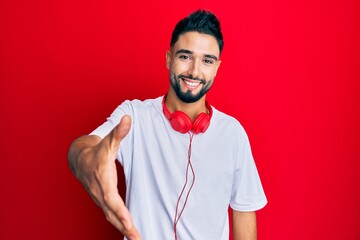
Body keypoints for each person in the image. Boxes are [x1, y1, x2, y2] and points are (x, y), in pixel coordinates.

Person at [68, 10, 267, 240]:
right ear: (169, 59)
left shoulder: (233, 134)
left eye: (207, 61)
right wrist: (85, 159)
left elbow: (244, 212)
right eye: (185, 57)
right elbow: (83, 147)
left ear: (216, 68)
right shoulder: (134, 116)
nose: (194, 71)